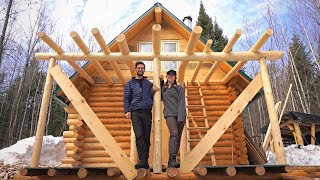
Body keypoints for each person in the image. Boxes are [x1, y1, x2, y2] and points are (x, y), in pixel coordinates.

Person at [124, 61, 159, 169]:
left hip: (147, 112)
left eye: (142, 68)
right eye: (139, 68)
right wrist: (127, 111)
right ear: (136, 69)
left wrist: (159, 83)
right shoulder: (130, 84)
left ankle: (145, 160)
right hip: (135, 112)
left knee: (146, 137)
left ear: (144, 70)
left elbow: (151, 93)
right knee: (139, 136)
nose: (140, 70)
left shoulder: (148, 83)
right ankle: (142, 160)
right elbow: (126, 98)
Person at [160, 69, 186, 168]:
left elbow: (181, 103)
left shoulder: (179, 88)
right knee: (174, 133)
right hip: (169, 114)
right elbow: (160, 97)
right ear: (167, 76)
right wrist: (160, 81)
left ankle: (173, 160)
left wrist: (180, 117)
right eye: (169, 75)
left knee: (177, 137)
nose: (171, 76)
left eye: (173, 75)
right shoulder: (164, 88)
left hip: (180, 115)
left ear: (175, 77)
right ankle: (171, 159)